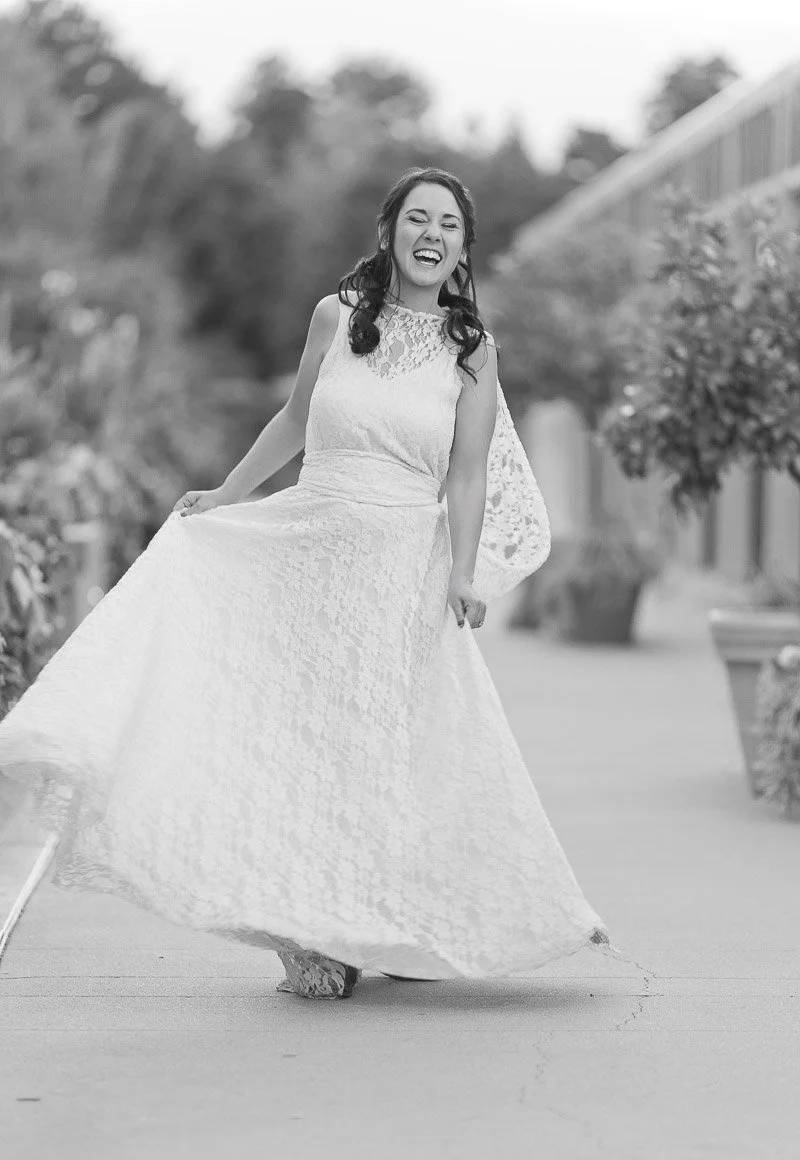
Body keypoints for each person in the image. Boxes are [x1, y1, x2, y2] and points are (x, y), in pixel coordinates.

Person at [0, 166, 614, 1001]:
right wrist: (225, 496)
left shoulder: (473, 354)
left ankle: (374, 917)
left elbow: (466, 477)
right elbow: (293, 421)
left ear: (464, 248)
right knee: (299, 741)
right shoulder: (337, 318)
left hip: (399, 574)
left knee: (379, 751)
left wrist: (463, 570)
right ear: (390, 231)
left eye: (449, 225)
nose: (432, 235)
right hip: (307, 554)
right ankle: (307, 929)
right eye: (417, 219)